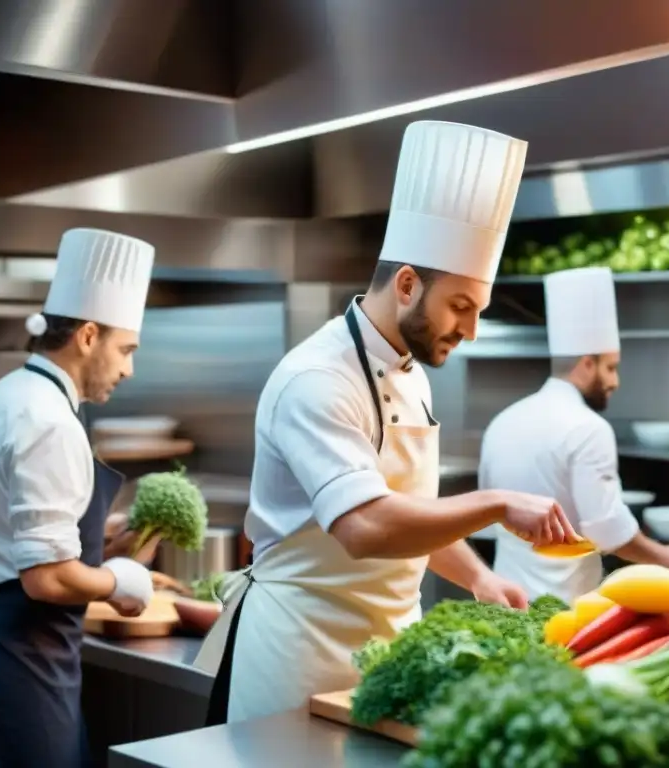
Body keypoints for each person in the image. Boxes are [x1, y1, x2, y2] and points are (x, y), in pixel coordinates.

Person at [197, 120, 578, 725]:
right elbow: (367, 525)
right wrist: (499, 503)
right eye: (460, 306)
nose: (470, 330)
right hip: (300, 654)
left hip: (387, 656)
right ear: (407, 284)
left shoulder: (412, 372)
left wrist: (478, 575)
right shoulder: (316, 379)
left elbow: (406, 513)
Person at [0, 228, 159, 767]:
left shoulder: (4, 397)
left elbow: (3, 526)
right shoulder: (49, 420)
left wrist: (96, 536)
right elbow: (47, 577)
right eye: (125, 349)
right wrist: (122, 581)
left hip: (13, 652)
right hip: (14, 662)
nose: (128, 368)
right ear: (87, 336)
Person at [479, 266, 669, 604]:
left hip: (504, 608)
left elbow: (489, 514)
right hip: (563, 615)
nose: (615, 382)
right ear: (587, 364)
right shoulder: (588, 428)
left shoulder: (503, 421)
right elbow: (609, 532)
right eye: (610, 367)